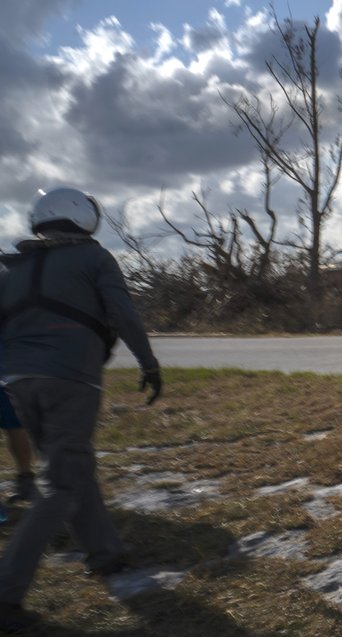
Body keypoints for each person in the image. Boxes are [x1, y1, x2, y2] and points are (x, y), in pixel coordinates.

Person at [0, 187, 163, 632]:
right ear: (83, 218)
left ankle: (105, 556)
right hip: (71, 378)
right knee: (62, 483)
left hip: (17, 381)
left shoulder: (10, 270)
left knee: (70, 468)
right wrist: (148, 364)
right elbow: (124, 314)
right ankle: (6, 593)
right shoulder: (94, 258)